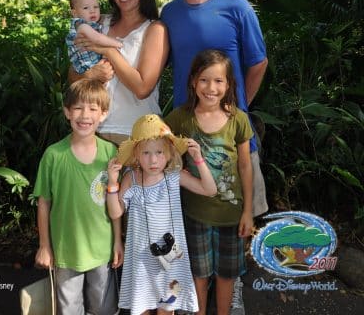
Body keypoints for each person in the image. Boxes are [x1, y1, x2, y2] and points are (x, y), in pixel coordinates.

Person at [161, 0, 268, 314]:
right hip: (186, 142)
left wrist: (234, 113)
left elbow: (258, 64)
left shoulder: (237, 7)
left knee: (235, 219)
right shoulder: (169, 14)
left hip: (233, 141)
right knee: (196, 224)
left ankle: (233, 288)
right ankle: (195, 297)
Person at [165, 49, 253, 315]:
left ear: (228, 85)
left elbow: (246, 166)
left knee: (226, 276)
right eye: (204, 80)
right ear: (193, 81)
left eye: (218, 81)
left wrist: (248, 211)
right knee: (199, 275)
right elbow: (158, 144)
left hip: (231, 216)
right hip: (196, 215)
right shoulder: (181, 117)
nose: (211, 88)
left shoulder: (238, 119)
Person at [106, 113, 217, 315]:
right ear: (136, 156)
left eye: (159, 152)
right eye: (146, 153)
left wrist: (199, 160)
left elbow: (209, 190)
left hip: (170, 257)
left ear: (168, 154)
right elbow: (116, 212)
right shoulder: (131, 178)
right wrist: (113, 183)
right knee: (141, 308)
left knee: (167, 307)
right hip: (140, 259)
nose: (153, 159)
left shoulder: (174, 176)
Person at [33, 79, 123, 315]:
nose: (85, 115)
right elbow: (43, 203)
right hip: (65, 251)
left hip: (102, 250)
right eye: (78, 108)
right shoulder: (53, 155)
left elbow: (114, 202)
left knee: (103, 309)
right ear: (67, 112)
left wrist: (117, 241)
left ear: (103, 114)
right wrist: (45, 246)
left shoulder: (110, 153)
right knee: (69, 310)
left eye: (93, 109)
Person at [71, 0, 169, 146]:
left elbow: (142, 88)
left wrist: (109, 51)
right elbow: (73, 74)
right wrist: (90, 74)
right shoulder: (98, 24)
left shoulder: (155, 29)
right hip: (93, 131)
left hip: (137, 135)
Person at [66, 0, 123, 74]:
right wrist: (118, 44)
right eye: (86, 8)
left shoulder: (92, 24)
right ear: (75, 13)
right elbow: (97, 38)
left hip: (93, 64)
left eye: (96, 7)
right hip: (87, 66)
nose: (92, 11)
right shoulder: (82, 26)